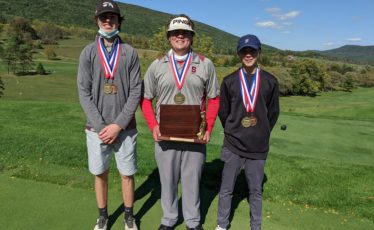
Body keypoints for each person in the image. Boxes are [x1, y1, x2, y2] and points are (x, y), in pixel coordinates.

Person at [140, 14, 220, 230]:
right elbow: (145, 100)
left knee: (192, 181)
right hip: (164, 135)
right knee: (167, 181)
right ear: (169, 37)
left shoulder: (205, 64)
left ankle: (193, 222)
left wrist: (209, 127)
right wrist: (153, 126)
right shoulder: (157, 65)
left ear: (191, 37)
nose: (180, 36)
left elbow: (213, 99)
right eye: (175, 32)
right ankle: (169, 219)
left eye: (185, 32)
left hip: (195, 135)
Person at [77, 1, 141, 229]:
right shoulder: (88, 52)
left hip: (125, 128)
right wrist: (101, 125)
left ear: (119, 21)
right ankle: (103, 215)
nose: (108, 21)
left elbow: (136, 92)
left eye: (112, 17)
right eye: (103, 17)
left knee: (127, 175)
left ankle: (129, 216)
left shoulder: (130, 52)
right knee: (100, 173)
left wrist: (118, 125)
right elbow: (83, 92)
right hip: (96, 129)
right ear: (97, 21)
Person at [215, 34, 280, 230]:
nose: (248, 54)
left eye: (252, 50)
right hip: (233, 144)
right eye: (244, 51)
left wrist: (260, 131)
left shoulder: (270, 81)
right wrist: (234, 129)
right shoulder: (229, 81)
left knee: (255, 191)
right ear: (238, 54)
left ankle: (255, 226)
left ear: (259, 52)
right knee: (226, 189)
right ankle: (222, 225)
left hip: (258, 146)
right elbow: (223, 112)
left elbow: (273, 113)